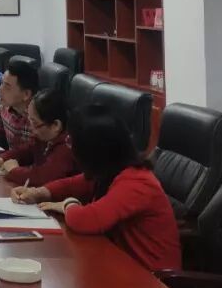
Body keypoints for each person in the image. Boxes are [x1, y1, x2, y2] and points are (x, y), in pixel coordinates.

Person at [13, 104, 181, 271]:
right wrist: (40, 193)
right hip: (120, 263)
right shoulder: (112, 170)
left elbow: (84, 220)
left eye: (71, 142)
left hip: (151, 277)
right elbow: (72, 184)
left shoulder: (136, 183)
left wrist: (67, 204)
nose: (70, 147)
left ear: (92, 151)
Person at [0, 89, 78, 187]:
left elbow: (43, 177)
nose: (31, 128)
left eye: (35, 123)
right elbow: (27, 151)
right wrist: (2, 158)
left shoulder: (67, 146)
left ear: (56, 125)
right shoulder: (43, 137)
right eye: (29, 120)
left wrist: (14, 170)